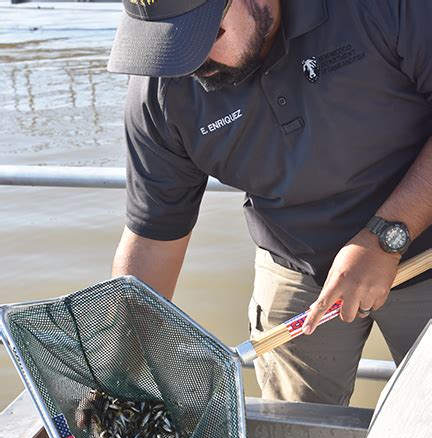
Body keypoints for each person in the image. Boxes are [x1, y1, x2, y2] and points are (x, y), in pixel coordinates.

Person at [108, 0, 432, 405]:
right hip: (295, 265)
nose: (189, 63)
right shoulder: (163, 88)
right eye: (168, 43)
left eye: (206, 35)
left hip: (422, 249)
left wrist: (385, 238)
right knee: (297, 432)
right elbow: (153, 238)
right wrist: (119, 369)